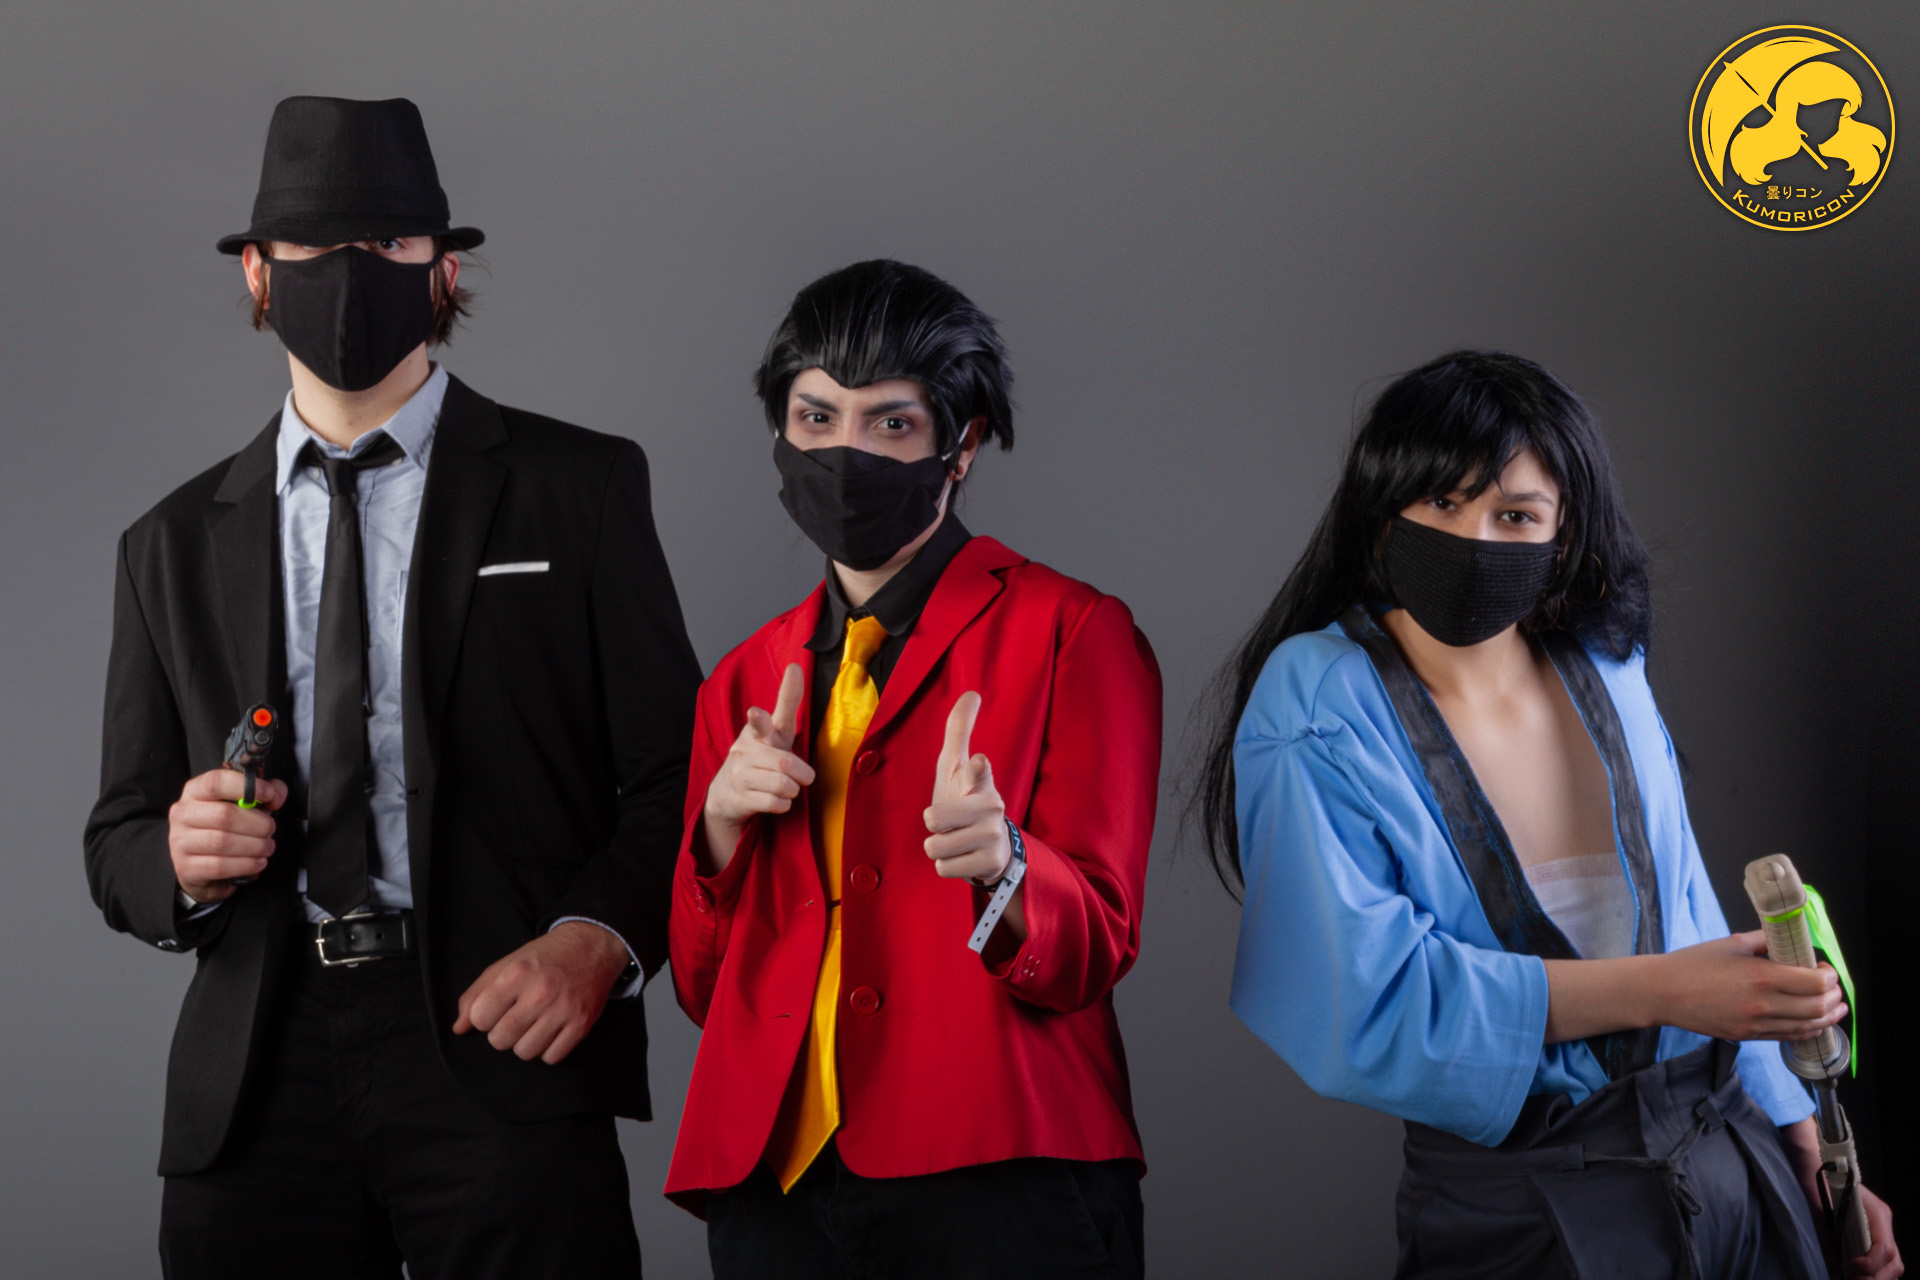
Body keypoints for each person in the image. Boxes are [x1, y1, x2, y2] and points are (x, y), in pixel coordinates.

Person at [83, 96, 702, 1279]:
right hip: (255, 1074)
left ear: (442, 269)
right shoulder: (166, 542)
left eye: (387, 243)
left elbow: (680, 767)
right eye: (314, 247)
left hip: (499, 1035)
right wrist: (178, 858)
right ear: (259, 273)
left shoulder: (579, 487)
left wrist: (598, 938)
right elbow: (116, 838)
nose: (348, 272)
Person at [1195, 350, 1902, 1279]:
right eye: (1441, 502)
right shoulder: (1318, 701)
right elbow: (1367, 1001)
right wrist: (1666, 991)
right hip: (1529, 1207)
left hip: (1735, 1159)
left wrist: (1807, 1145)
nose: (1474, 538)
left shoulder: (1607, 661)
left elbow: (1689, 902)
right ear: (1380, 508)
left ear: (1565, 535)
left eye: (1516, 515)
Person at [665, 259, 1160, 1279]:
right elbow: (705, 987)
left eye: (891, 423)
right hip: (774, 1178)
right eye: (816, 418)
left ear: (960, 445)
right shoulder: (742, 680)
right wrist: (717, 829)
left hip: (999, 1164)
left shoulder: (1073, 630)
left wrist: (1009, 864)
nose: (845, 452)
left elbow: (1096, 944)